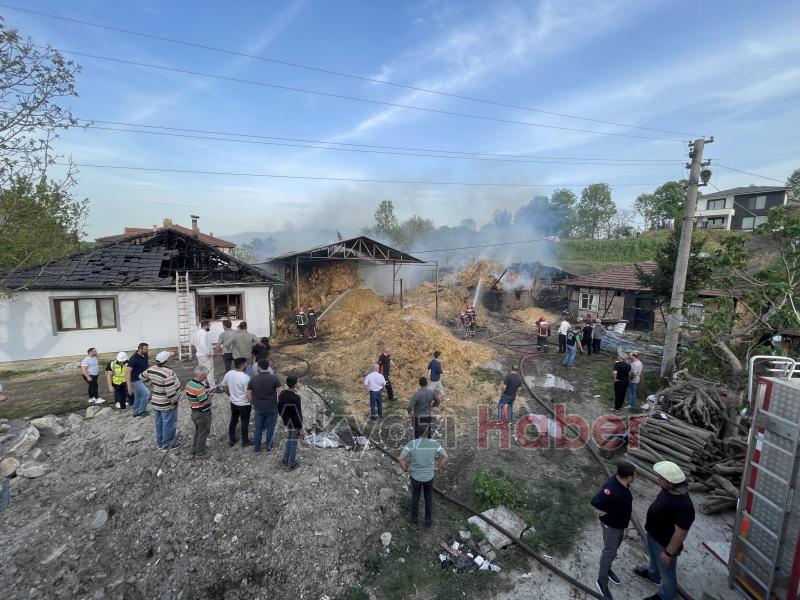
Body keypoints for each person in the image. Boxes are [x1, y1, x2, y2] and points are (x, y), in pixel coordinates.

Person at [634, 461, 695, 600]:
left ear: (671, 483)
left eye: (661, 478)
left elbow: (680, 534)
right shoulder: (669, 490)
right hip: (653, 535)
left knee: (667, 573)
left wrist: (668, 553)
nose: (658, 479)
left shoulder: (684, 506)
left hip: (664, 544)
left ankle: (665, 595)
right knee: (654, 560)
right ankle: (653, 575)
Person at [591, 461, 636, 600]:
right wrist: (607, 510)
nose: (635, 477)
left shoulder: (622, 483)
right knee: (609, 552)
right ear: (629, 477)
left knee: (614, 548)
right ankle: (601, 581)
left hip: (619, 525)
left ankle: (607, 568)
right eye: (634, 475)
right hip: (611, 526)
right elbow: (595, 501)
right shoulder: (612, 488)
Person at [398, 423, 449, 528]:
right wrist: (438, 467)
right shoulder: (434, 444)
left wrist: (405, 469)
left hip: (415, 477)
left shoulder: (411, 444)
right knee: (428, 497)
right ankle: (428, 522)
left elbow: (400, 458)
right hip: (429, 477)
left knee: (415, 498)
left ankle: (414, 522)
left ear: (418, 432)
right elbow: (445, 457)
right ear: (428, 433)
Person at [140, 351, 182, 450]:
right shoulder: (168, 374)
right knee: (168, 424)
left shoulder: (151, 369)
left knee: (159, 423)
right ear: (166, 361)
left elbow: (141, 376)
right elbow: (170, 392)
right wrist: (174, 402)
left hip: (156, 402)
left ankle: (160, 442)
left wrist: (152, 385)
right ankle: (167, 444)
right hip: (166, 404)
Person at [247, 359, 282, 454]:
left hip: (258, 408)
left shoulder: (253, 379)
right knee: (270, 427)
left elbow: (248, 395)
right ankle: (269, 448)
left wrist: (253, 403)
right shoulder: (274, 378)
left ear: (259, 368)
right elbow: (280, 392)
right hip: (272, 407)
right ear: (268, 367)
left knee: (258, 428)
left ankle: (257, 449)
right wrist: (277, 402)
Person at [222, 357, 251, 447]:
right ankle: (245, 441)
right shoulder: (245, 377)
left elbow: (224, 386)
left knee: (233, 420)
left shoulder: (229, 373)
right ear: (242, 365)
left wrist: (230, 395)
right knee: (244, 422)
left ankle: (232, 439)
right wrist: (252, 402)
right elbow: (248, 393)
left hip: (233, 402)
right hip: (244, 404)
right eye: (246, 364)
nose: (247, 365)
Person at [185, 364, 212, 459]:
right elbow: (204, 402)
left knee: (198, 431)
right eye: (205, 376)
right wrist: (210, 396)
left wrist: (205, 392)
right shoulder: (199, 388)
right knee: (203, 432)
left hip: (194, 412)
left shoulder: (189, 383)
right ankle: (200, 452)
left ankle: (195, 448)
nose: (206, 378)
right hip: (202, 413)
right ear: (200, 375)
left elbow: (196, 396)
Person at [278, 374, 305, 470]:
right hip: (294, 424)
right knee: (293, 443)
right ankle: (292, 463)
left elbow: (279, 408)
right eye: (297, 382)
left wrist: (284, 419)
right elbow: (298, 414)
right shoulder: (296, 398)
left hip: (287, 422)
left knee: (290, 440)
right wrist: (301, 427)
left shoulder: (282, 393)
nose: (298, 384)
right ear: (294, 384)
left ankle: (285, 460)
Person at [126, 343, 150, 417]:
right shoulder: (133, 359)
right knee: (146, 393)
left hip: (143, 378)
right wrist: (129, 386)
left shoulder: (145, 355)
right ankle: (141, 411)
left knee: (138, 396)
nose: (147, 350)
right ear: (140, 349)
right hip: (135, 380)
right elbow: (127, 372)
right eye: (145, 349)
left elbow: (146, 366)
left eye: (147, 349)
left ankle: (135, 412)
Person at [192, 319, 216, 387]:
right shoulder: (204, 333)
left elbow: (193, 342)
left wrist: (198, 348)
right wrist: (208, 353)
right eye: (209, 325)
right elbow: (203, 344)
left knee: (202, 370)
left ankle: (203, 383)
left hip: (199, 354)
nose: (210, 327)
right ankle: (212, 386)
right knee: (210, 370)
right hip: (205, 355)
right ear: (206, 325)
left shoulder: (196, 333)